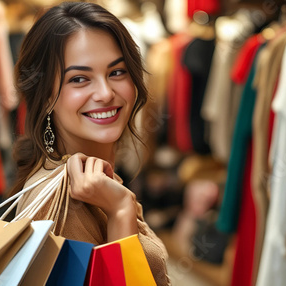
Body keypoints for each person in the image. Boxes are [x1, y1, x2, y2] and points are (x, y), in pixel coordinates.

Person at [12, 2, 171, 285]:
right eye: (80, 78)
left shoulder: (93, 179)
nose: (105, 93)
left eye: (116, 72)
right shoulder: (58, 202)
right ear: (46, 94)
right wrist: (121, 211)